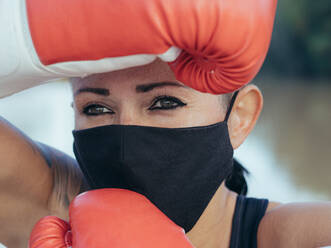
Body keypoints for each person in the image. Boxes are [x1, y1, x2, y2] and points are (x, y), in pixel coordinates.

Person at [1, 0, 331, 247]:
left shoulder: (293, 235)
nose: (126, 136)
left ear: (240, 117)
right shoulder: (54, 207)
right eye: (96, 107)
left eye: (165, 102)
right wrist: (25, 33)